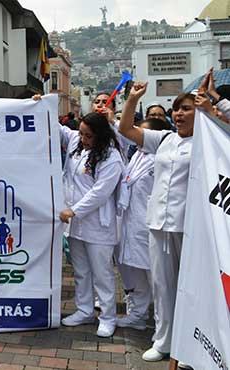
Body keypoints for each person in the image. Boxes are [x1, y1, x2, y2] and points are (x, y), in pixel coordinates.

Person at [117, 76, 215, 367]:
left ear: (200, 111)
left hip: (191, 226)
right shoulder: (164, 139)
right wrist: (133, 98)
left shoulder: (210, 141)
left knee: (193, 289)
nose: (179, 114)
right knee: (162, 286)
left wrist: (213, 108)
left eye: (186, 109)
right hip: (158, 223)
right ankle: (164, 341)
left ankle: (191, 347)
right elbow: (124, 129)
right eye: (176, 109)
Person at [36, 93, 124, 337]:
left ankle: (107, 317)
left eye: (89, 136)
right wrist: (39, 105)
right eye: (82, 133)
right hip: (74, 224)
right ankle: (84, 310)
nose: (83, 139)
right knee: (81, 270)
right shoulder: (77, 141)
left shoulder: (111, 157)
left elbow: (100, 193)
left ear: (101, 136)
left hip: (97, 223)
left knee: (102, 273)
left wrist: (74, 211)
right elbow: (59, 130)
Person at [114, 118, 172, 331]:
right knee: (133, 271)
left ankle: (164, 326)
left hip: (150, 225)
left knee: (156, 278)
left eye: (141, 133)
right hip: (130, 223)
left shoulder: (162, 159)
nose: (135, 136)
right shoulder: (137, 154)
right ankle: (138, 315)